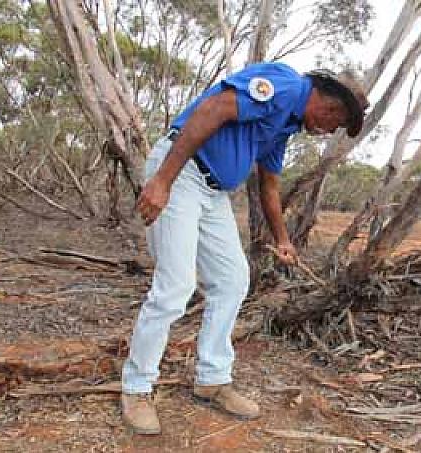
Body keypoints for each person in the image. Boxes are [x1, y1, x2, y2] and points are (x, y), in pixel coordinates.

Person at [121, 61, 368, 434]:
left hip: (213, 192)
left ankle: (212, 378)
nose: (324, 131)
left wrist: (283, 239)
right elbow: (213, 109)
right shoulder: (285, 86)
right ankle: (136, 388)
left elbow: (269, 185)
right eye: (331, 125)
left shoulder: (285, 125)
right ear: (330, 107)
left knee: (233, 279)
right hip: (183, 171)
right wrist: (162, 181)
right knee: (175, 286)